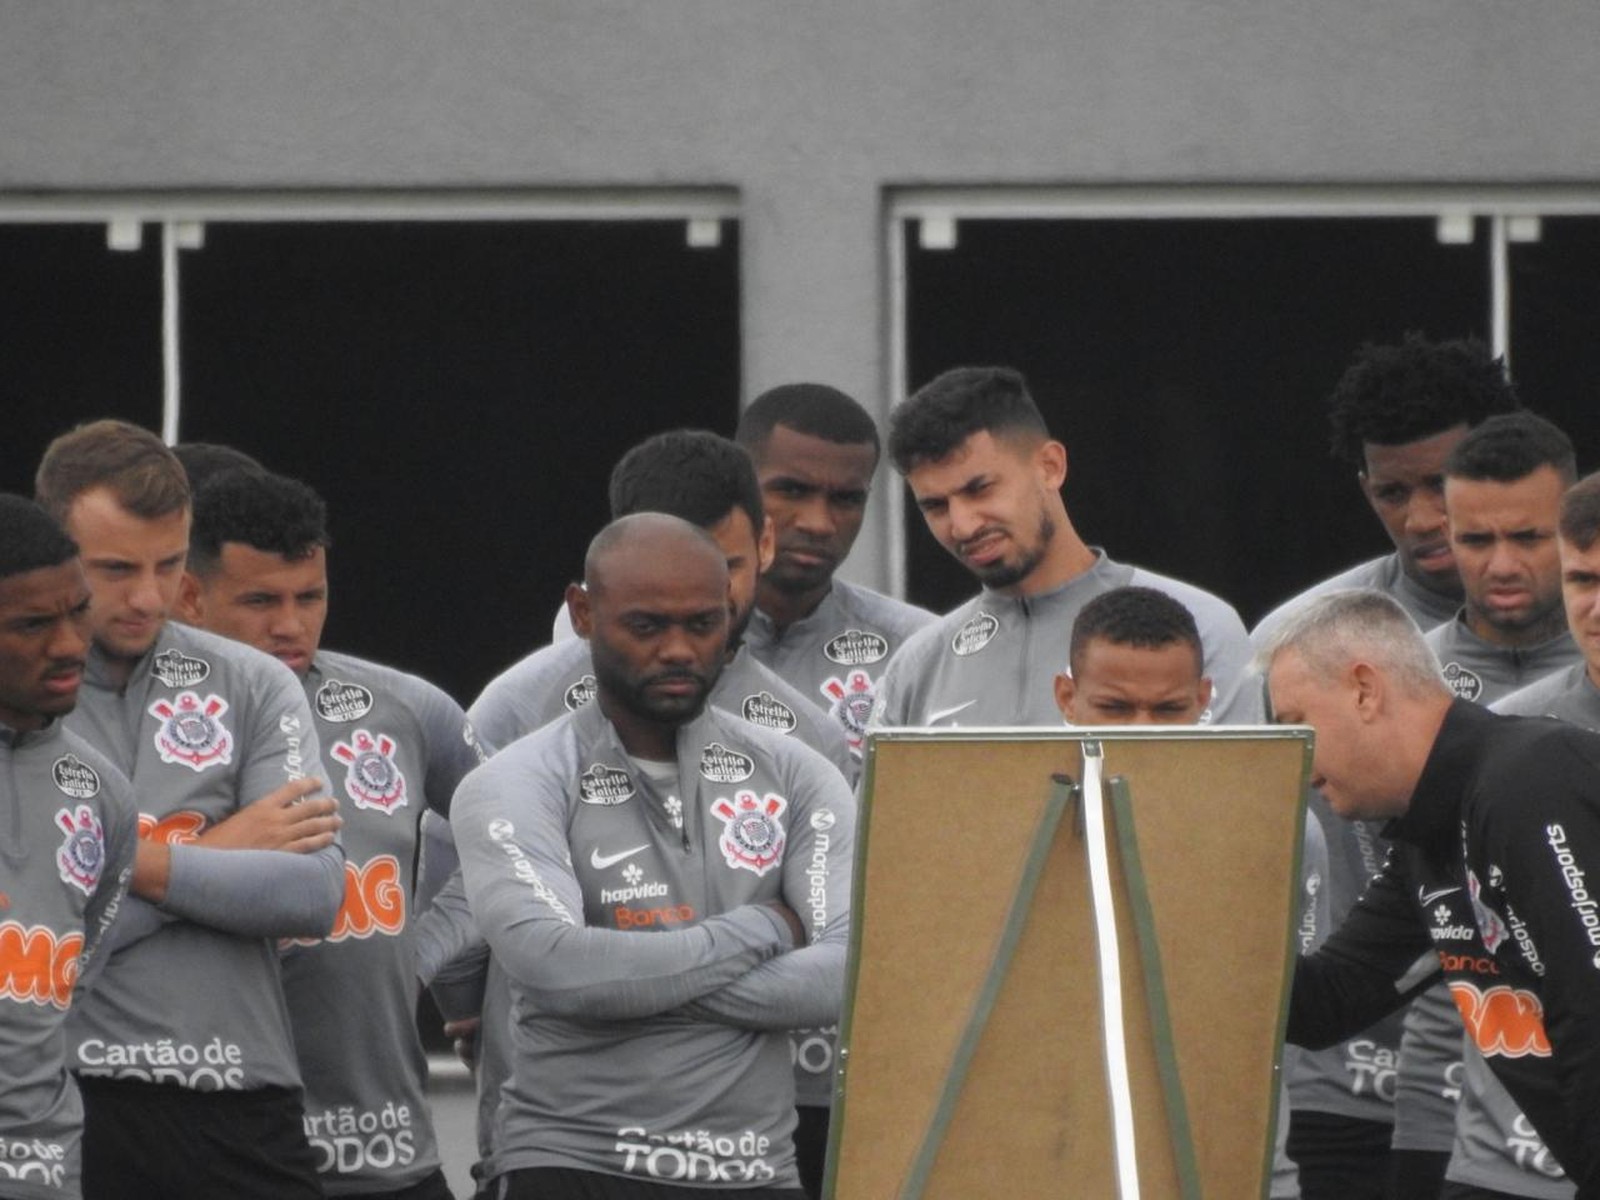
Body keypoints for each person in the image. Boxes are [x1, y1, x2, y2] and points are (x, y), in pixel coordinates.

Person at [447, 429, 853, 1193]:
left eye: (702, 624)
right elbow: (557, 969)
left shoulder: (801, 765)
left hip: (754, 1170)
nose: (677, 650)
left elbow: (844, 975)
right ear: (583, 611)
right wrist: (766, 929)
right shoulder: (516, 773)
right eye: (646, 625)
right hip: (571, 1160)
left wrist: (629, 978)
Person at [33, 419, 344, 1200]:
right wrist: (224, 850)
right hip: (58, 1093)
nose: (148, 596)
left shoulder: (255, 682)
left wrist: (122, 865)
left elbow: (311, 893)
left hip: (244, 1098)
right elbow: (45, 945)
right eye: (115, 569)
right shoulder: (19, 694)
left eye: (168, 564)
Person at [1250, 334, 1522, 1200]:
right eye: (1392, 491)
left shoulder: (1571, 666)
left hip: (1531, 1098)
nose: (1421, 517)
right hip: (1344, 1081)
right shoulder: (1296, 646)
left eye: (1442, 484)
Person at [176, 467, 484, 1200]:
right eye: (260, 601)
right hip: (203, 1149)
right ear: (190, 596)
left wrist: (422, 951)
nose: (290, 624)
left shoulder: (405, 708)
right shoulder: (135, 724)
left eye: (308, 597)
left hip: (385, 1152)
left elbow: (513, 840)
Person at [1262, 589, 1600, 1200]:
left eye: (1295, 725)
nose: (1300, 764)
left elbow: (1591, 1005)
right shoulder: (1430, 830)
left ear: (1364, 690)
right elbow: (1326, 1003)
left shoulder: (1526, 778)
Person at [1056, 586, 1327, 1200]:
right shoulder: (1010, 815)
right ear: (1066, 698)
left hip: (1238, 1168)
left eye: (1168, 709)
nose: (1143, 731)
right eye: (1115, 708)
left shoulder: (1281, 822)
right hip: (1057, 1163)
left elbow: (1288, 1018)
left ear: (1205, 698)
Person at [1397, 410, 1585, 1200]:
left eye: (1529, 538)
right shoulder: (1414, 692)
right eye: (1476, 540)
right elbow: (1436, 938)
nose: (1502, 564)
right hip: (1479, 1140)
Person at [873, 365, 1258, 729]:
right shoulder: (918, 666)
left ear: (1051, 466)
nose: (963, 525)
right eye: (936, 506)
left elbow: (1238, 778)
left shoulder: (1201, 626)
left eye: (980, 489)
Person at [0, 495, 139, 1200]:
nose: (68, 644)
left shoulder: (104, 794)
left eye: (78, 612)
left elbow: (71, 982)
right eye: (32, 624)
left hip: (42, 1171)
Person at [734, 384, 934, 768]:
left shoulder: (922, 650)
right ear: (738, 487)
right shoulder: (656, 642)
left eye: (846, 499)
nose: (819, 524)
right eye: (792, 490)